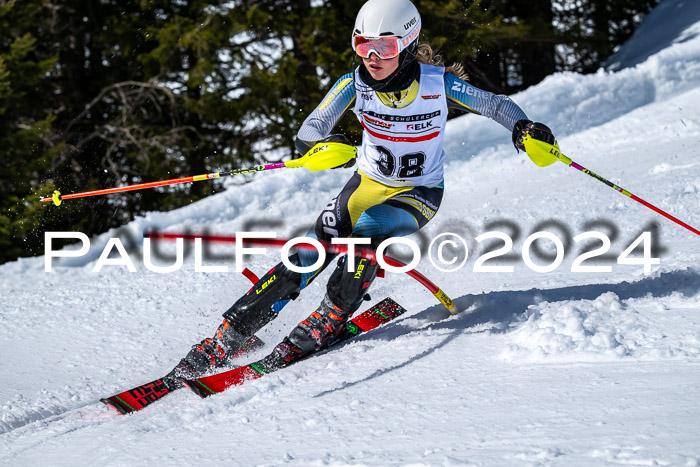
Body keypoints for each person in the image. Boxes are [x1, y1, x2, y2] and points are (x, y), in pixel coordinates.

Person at [169, 0, 556, 380]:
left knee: (365, 237)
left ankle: (330, 317)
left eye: (383, 46)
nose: (371, 56)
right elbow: (310, 130)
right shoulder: (352, 83)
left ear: (406, 43)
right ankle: (228, 335)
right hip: (367, 184)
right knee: (314, 242)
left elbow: (496, 106)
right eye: (362, 44)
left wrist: (524, 129)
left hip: (418, 193)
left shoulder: (439, 84)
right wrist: (319, 148)